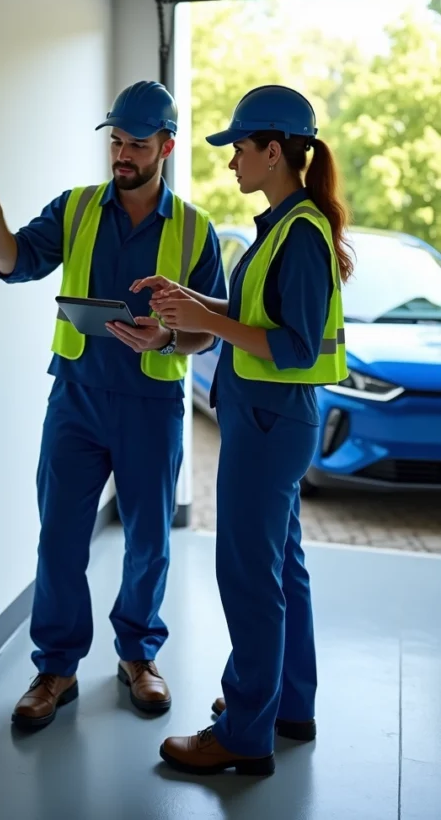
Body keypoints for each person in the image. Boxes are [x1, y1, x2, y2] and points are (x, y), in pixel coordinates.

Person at [0, 81, 227, 731]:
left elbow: (207, 330)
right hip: (76, 398)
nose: (122, 154)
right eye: (115, 140)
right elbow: (15, 261)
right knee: (59, 539)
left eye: (136, 143)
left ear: (165, 146)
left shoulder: (195, 229)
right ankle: (55, 666)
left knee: (146, 541)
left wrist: (166, 334)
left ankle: (138, 655)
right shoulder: (77, 209)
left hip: (151, 402)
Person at [134, 85, 352, 776]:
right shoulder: (285, 225)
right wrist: (189, 302)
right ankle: (288, 706)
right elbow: (252, 314)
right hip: (268, 420)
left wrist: (205, 322)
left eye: (238, 150)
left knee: (248, 577)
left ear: (273, 151)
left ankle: (246, 733)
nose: (231, 163)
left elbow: (288, 345)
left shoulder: (301, 233)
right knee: (280, 569)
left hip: (269, 422)